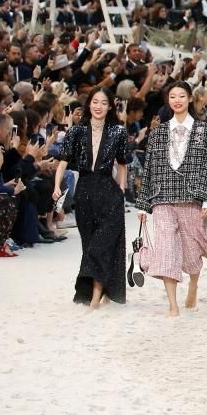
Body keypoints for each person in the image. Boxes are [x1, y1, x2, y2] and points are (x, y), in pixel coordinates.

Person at [136, 81, 207, 317]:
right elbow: (149, 169)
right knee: (166, 249)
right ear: (168, 100)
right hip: (162, 196)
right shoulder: (157, 133)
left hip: (192, 196)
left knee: (192, 251)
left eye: (182, 96)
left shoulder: (204, 131)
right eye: (172, 96)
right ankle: (173, 305)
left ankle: (193, 282)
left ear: (190, 98)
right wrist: (143, 205)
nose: (177, 100)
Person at [53, 86, 131, 308]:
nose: (99, 106)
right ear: (89, 104)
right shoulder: (77, 131)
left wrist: (121, 189)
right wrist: (56, 186)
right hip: (85, 192)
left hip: (109, 192)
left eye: (104, 103)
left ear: (110, 107)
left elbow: (123, 163)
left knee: (102, 245)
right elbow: (63, 161)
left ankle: (96, 296)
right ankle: (98, 290)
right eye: (95, 101)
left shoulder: (118, 131)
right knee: (89, 245)